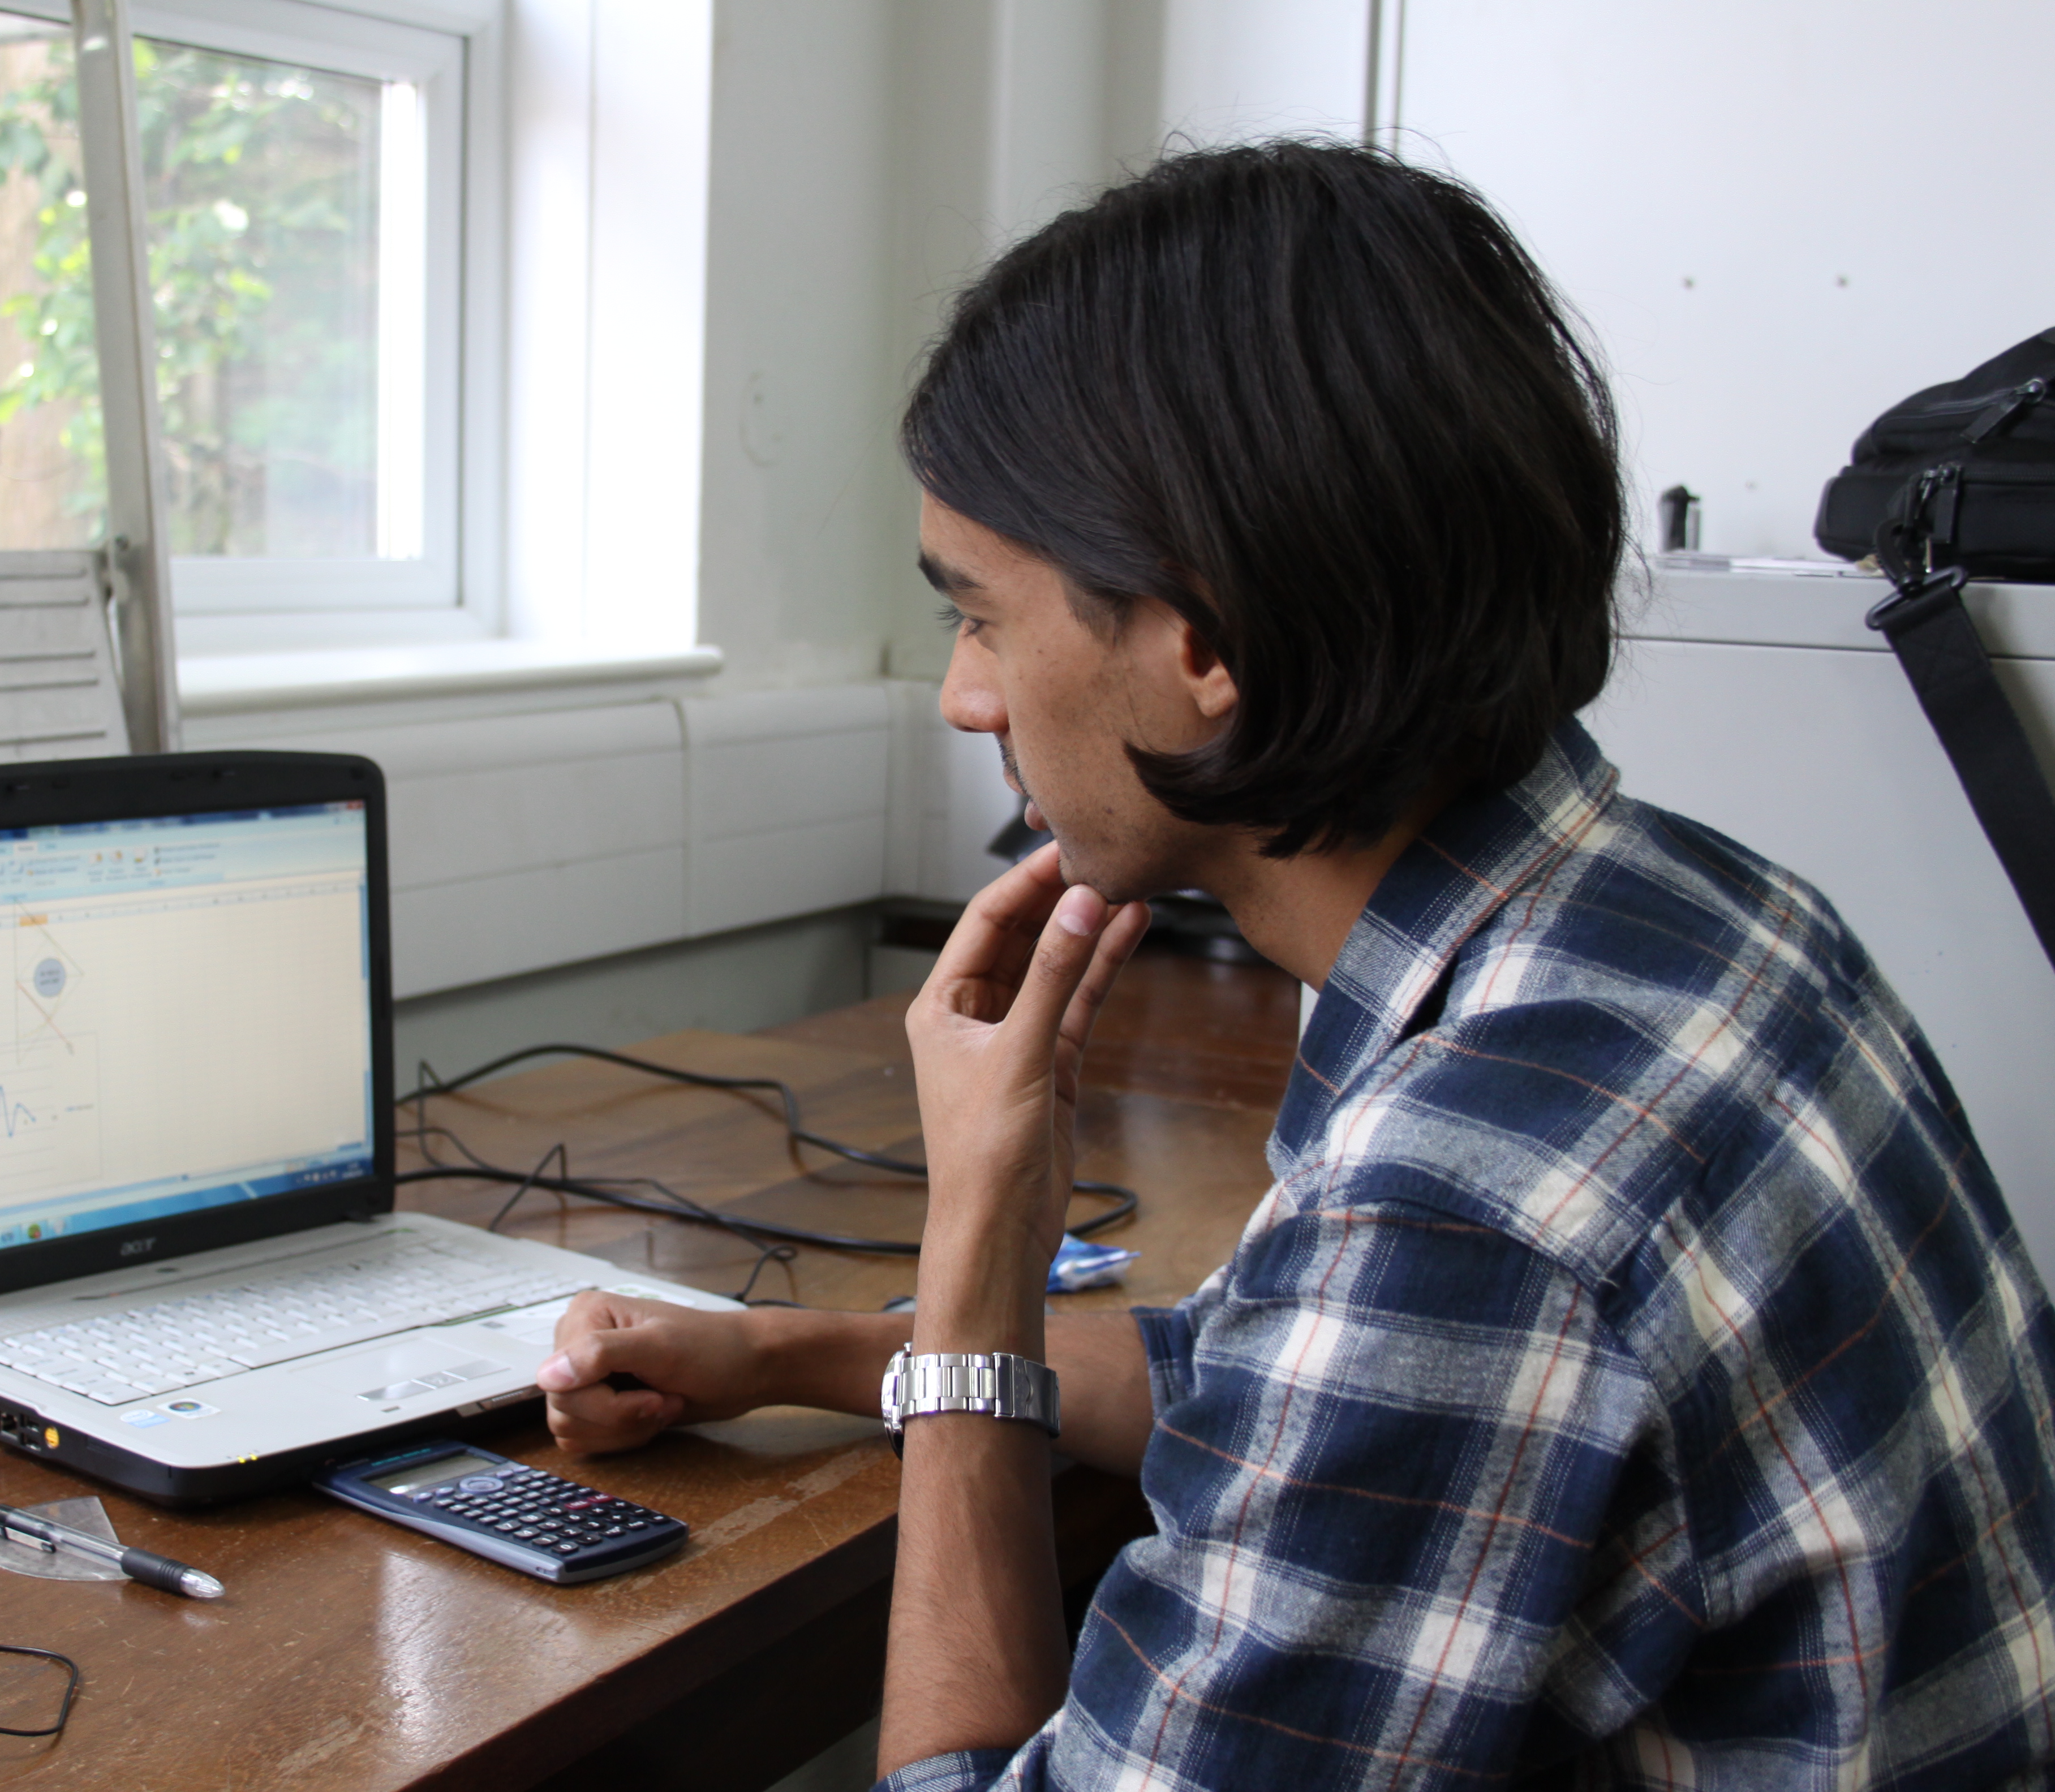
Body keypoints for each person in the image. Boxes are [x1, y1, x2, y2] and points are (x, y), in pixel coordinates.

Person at [532, 141, 2055, 1789]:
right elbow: (1284, 1387)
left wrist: (980, 1232)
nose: (969, 700)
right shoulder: (1705, 914)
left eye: (978, 616)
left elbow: (1404, 1330)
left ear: (1201, 643)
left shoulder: (1465, 1197)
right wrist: (800, 1354)